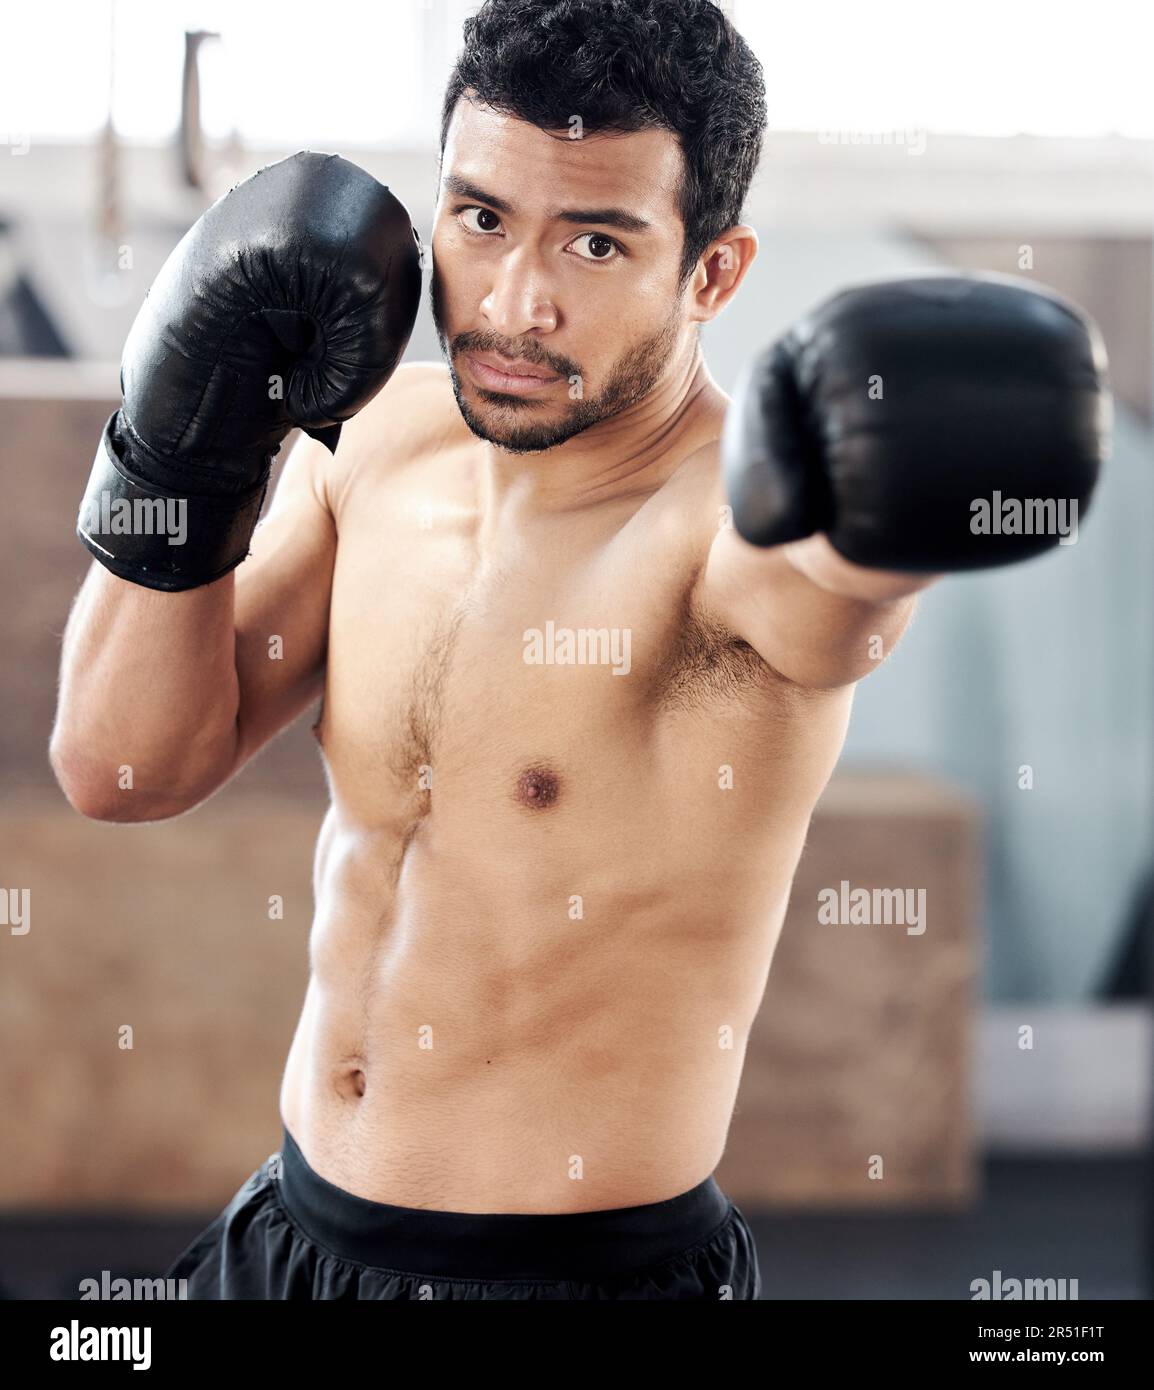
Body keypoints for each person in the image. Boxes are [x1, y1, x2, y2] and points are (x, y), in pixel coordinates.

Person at [50, 0, 1108, 1300]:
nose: (514, 302)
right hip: (290, 1235)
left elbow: (829, 595)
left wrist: (902, 517)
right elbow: (122, 769)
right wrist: (184, 437)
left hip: (570, 1280)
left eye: (595, 241)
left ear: (711, 272)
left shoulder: (728, 531)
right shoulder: (379, 447)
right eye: (482, 217)